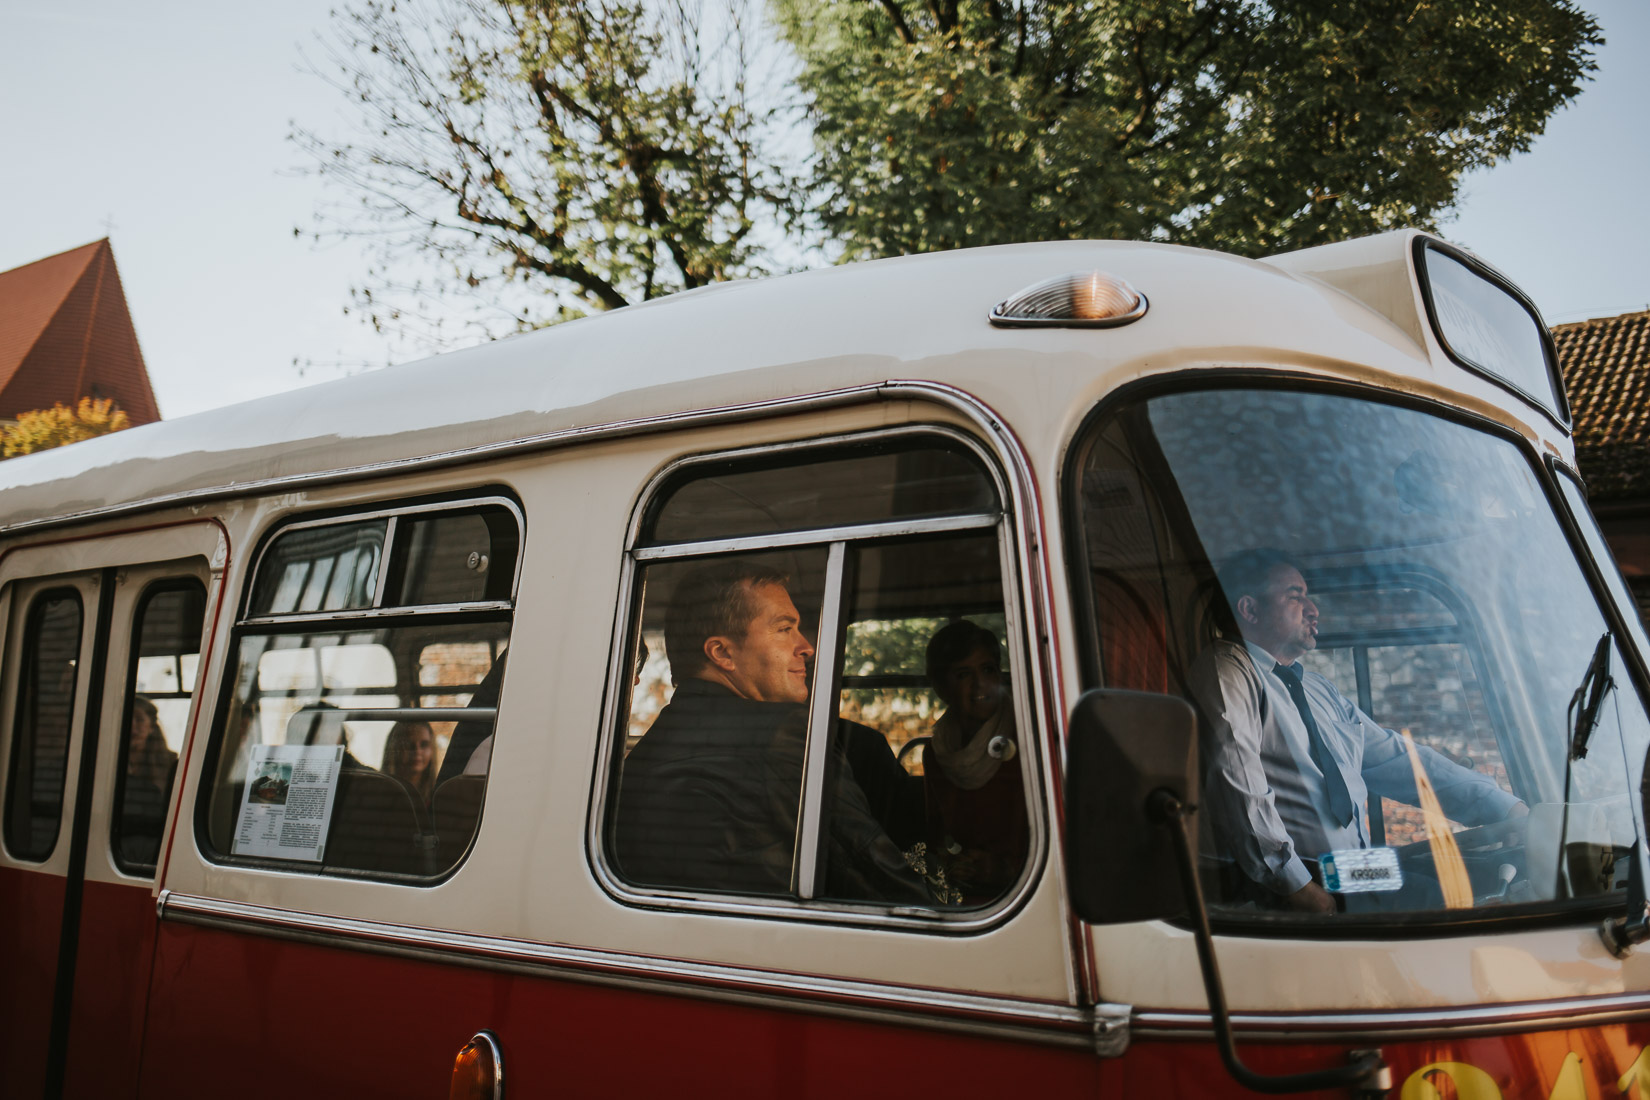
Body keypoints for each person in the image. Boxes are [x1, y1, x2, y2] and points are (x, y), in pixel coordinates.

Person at [1189, 549, 1526, 914]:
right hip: (1307, 877)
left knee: (1479, 880)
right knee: (1454, 905)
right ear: (1250, 610)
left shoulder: (1317, 688)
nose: (1313, 609)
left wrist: (1507, 809)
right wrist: (1297, 888)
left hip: (1353, 869)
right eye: (1295, 595)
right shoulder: (1227, 670)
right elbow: (1238, 781)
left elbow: (1398, 760)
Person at [614, 559, 929, 903]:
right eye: (784, 629)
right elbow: (876, 876)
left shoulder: (642, 754)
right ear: (722, 653)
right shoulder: (783, 736)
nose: (806, 647)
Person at [921, 620, 1028, 902]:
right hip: (969, 898)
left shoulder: (1030, 737)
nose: (980, 684)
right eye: (963, 674)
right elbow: (937, 835)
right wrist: (951, 860)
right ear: (941, 688)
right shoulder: (936, 753)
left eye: (988, 669)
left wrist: (1004, 869)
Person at [118, 695, 179, 865]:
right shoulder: (110, 764)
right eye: (128, 719)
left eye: (139, 720)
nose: (133, 727)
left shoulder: (169, 763)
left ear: (151, 727)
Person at [383, 721, 438, 803]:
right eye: (409, 745)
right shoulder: (379, 793)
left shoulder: (438, 797)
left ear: (432, 749)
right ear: (394, 749)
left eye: (424, 744)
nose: (417, 751)